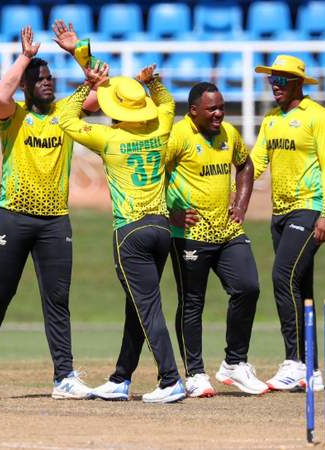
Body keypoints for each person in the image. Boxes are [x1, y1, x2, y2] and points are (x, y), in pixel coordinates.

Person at [0, 23, 100, 401]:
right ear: (25, 84)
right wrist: (25, 57)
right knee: (0, 294)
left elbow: (102, 89)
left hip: (55, 221)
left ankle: (64, 377)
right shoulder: (13, 115)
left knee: (57, 299)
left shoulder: (67, 112)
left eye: (50, 77)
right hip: (14, 216)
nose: (47, 82)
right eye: (39, 79)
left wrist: (78, 51)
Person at [59, 63, 186, 403]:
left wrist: (86, 87)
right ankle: (121, 378)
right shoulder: (160, 129)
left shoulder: (109, 138)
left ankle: (170, 379)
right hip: (161, 228)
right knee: (138, 305)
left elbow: (66, 119)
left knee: (147, 307)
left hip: (130, 232)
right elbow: (168, 103)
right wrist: (152, 81)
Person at [165, 82, 268, 398]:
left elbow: (245, 164)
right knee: (192, 302)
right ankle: (195, 373)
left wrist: (241, 203)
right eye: (212, 109)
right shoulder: (178, 136)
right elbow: (153, 173)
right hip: (190, 235)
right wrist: (170, 213)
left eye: (221, 107)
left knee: (248, 288)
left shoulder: (229, 134)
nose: (219, 114)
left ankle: (234, 364)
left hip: (227, 231)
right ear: (193, 110)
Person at [252, 55, 325, 391]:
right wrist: (230, 190)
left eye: (281, 80)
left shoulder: (319, 117)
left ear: (298, 83)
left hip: (309, 208)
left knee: (282, 276)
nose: (275, 86)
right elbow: (257, 162)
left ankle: (295, 362)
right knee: (300, 287)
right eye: (271, 80)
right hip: (280, 213)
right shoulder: (271, 119)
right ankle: (311, 370)